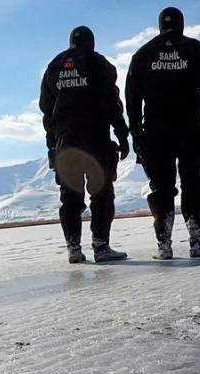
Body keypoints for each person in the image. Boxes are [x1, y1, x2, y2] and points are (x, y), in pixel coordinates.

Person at [125, 7, 200, 260]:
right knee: (192, 182)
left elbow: (131, 97)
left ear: (160, 25)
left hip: (155, 133)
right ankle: (197, 241)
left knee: (161, 187)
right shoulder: (195, 49)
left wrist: (136, 131)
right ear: (181, 24)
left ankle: (164, 245)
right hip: (190, 129)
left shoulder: (143, 54)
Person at [39, 25, 130, 264]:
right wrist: (122, 135)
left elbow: (46, 110)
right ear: (91, 42)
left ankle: (73, 248)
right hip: (95, 141)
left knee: (69, 197)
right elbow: (112, 102)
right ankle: (101, 246)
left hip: (66, 144)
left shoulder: (54, 67)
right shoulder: (98, 63)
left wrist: (52, 143)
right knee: (101, 193)